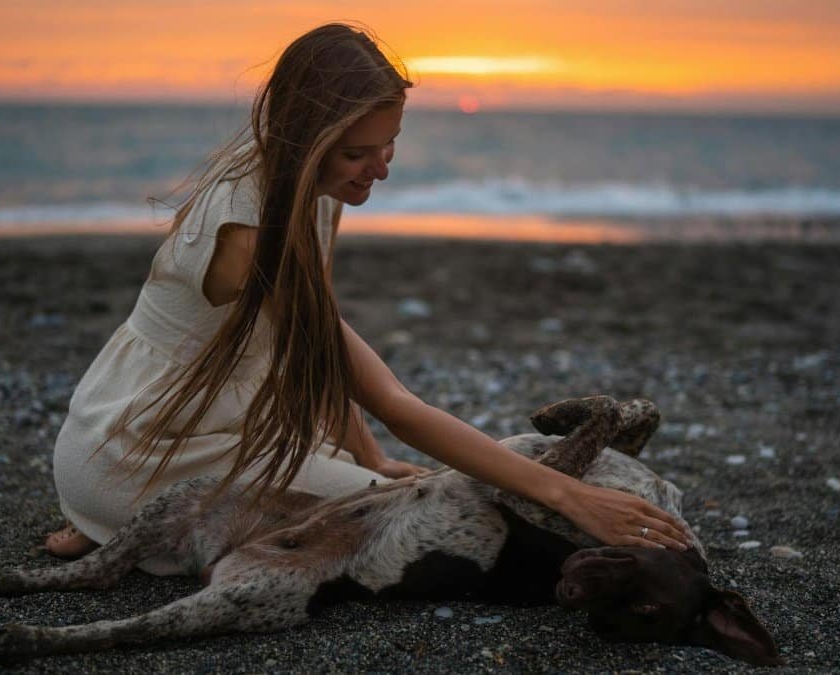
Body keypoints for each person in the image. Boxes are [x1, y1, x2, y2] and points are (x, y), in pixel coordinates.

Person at [46, 23, 690, 573]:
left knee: (395, 486)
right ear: (307, 137)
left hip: (169, 424)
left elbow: (315, 348)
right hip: (138, 452)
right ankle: (117, 521)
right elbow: (390, 400)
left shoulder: (299, 182)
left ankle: (105, 524)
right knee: (403, 516)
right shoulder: (252, 230)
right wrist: (567, 497)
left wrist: (368, 454)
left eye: (390, 144)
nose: (380, 167)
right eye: (358, 151)